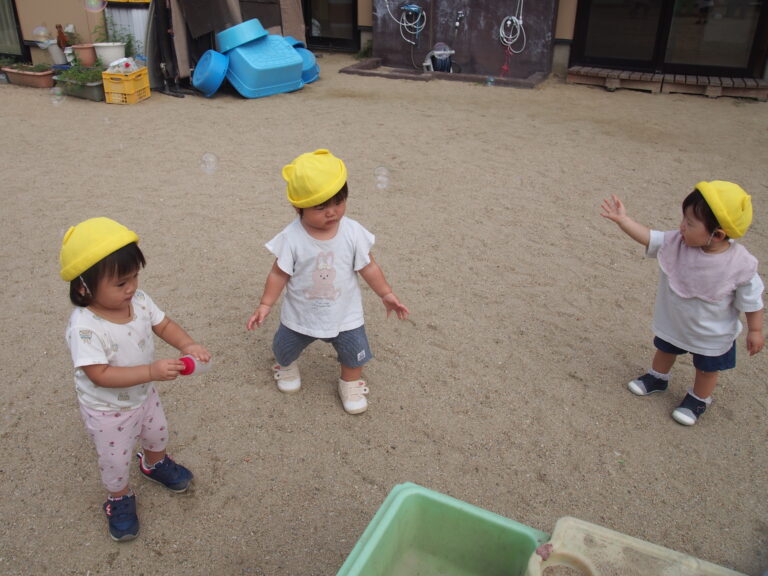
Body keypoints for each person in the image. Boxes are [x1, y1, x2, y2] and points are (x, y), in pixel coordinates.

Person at [60, 217, 211, 541]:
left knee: (157, 432)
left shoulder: (138, 301)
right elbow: (98, 374)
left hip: (144, 394)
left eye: (134, 277)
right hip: (107, 409)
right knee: (114, 460)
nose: (131, 288)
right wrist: (151, 371)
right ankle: (119, 498)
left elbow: (163, 324)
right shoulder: (85, 327)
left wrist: (187, 344)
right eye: (120, 283)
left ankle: (153, 464)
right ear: (83, 287)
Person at [246, 149, 409, 414]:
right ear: (298, 206)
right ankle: (285, 366)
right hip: (301, 313)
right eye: (321, 207)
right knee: (284, 347)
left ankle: (351, 381)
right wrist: (265, 304)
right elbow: (279, 273)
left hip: (345, 314)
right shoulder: (292, 237)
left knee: (355, 351)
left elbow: (368, 265)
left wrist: (386, 293)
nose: (332, 212)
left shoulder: (353, 232)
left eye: (339, 202)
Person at [600, 181, 764, 425]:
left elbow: (752, 301)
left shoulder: (740, 265)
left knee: (707, 369)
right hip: (676, 321)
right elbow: (650, 238)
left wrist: (756, 330)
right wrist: (624, 221)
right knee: (665, 349)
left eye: (689, 224)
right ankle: (658, 377)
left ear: (717, 234)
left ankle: (698, 398)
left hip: (711, 333)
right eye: (683, 220)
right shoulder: (678, 242)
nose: (681, 227)